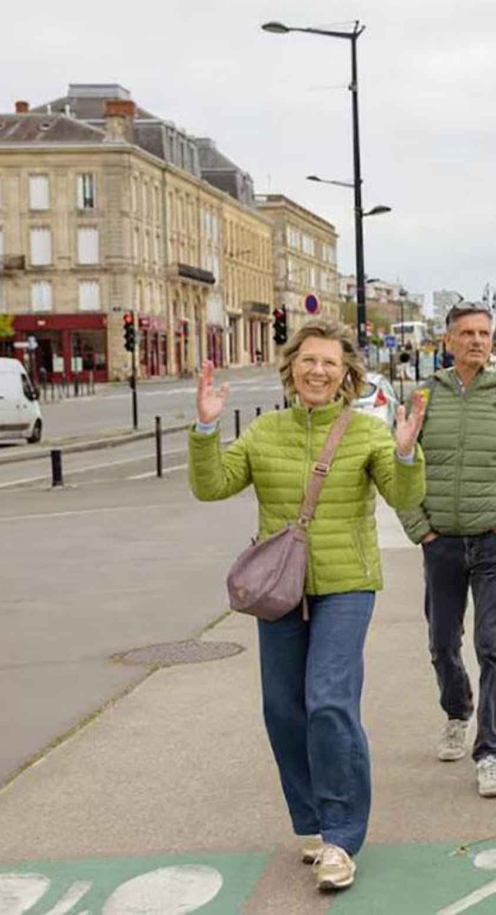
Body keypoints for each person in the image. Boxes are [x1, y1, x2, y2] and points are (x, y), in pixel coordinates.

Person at [187, 318, 427, 893]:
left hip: (347, 585)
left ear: (346, 374)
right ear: (291, 368)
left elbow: (404, 497)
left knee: (328, 702)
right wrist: (205, 427)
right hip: (280, 589)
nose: (318, 371)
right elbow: (213, 485)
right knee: (283, 709)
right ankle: (314, 824)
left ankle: (343, 837)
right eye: (308, 361)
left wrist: (406, 453)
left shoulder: (367, 434)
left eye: (329, 363)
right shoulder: (267, 432)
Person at [397, 301, 496, 798]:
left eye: (484, 333)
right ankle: (456, 711)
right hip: (439, 543)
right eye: (466, 333)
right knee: (442, 643)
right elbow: (397, 466)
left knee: (494, 646)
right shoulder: (423, 397)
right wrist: (419, 527)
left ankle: (490, 752)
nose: (476, 341)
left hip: (494, 543)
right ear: (447, 341)